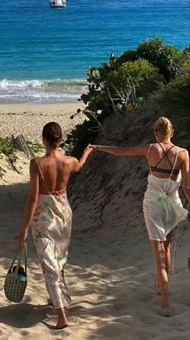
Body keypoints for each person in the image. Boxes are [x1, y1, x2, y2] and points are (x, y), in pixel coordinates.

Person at [89, 116, 190, 317]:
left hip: (154, 204)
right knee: (167, 246)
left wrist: (99, 147)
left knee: (158, 253)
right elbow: (187, 186)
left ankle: (165, 303)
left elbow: (121, 152)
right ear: (172, 132)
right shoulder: (183, 153)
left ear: (156, 132)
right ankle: (161, 288)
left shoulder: (151, 149)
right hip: (172, 204)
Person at [18, 122, 92, 329]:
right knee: (59, 257)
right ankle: (55, 296)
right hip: (64, 213)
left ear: (43, 139)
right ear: (60, 140)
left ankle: (61, 316)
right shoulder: (69, 161)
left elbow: (33, 199)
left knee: (49, 263)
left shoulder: (37, 164)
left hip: (44, 216)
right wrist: (86, 152)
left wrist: (23, 228)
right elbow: (81, 164)